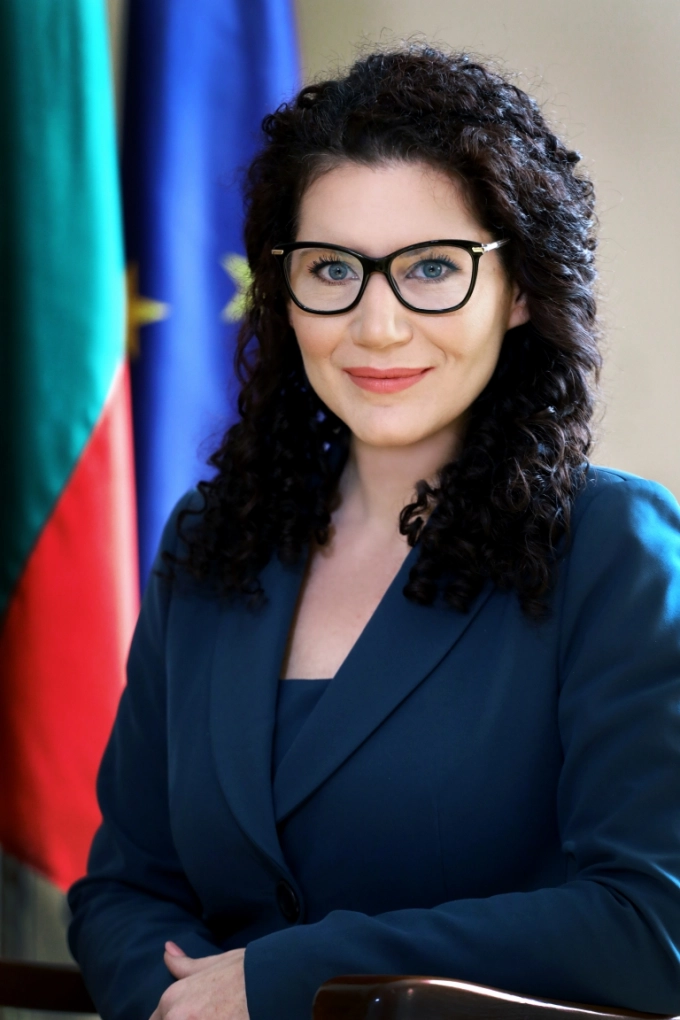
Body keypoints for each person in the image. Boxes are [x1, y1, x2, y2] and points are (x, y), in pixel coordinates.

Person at [67, 45, 680, 1020]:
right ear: (283, 291)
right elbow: (124, 890)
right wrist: (173, 1006)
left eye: (432, 268)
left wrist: (284, 981)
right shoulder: (210, 539)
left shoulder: (612, 549)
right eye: (331, 270)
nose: (377, 325)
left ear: (519, 290)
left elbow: (649, 926)